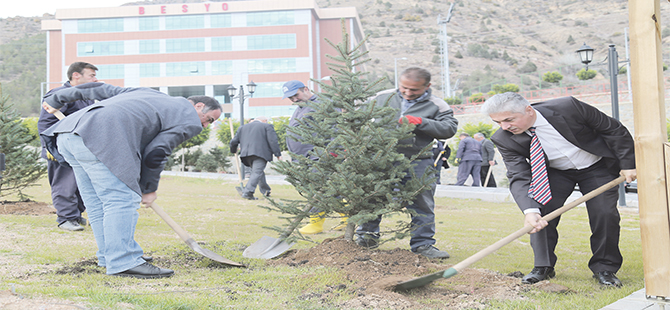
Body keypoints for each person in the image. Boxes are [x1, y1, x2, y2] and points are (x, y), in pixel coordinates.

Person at [41, 82, 222, 279]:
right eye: (209, 120)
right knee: (121, 199)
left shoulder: (146, 91)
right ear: (197, 106)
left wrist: (56, 98)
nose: (204, 126)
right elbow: (156, 152)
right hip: (100, 136)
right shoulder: (188, 118)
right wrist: (148, 188)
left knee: (98, 202)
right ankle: (123, 260)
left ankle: (109, 255)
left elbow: (98, 89)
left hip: (68, 135)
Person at [481, 92, 636, 287]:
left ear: (528, 110)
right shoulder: (504, 139)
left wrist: (628, 164)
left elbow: (613, 130)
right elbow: (519, 175)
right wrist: (530, 211)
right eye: (498, 123)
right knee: (541, 213)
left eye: (508, 120)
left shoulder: (569, 107)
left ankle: (605, 268)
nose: (505, 127)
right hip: (555, 172)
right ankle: (543, 266)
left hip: (597, 166)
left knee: (604, 214)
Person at [355, 67, 458, 258]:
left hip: (417, 161)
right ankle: (366, 237)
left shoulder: (437, 104)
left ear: (427, 86)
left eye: (415, 90)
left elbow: (449, 129)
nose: (408, 93)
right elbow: (358, 120)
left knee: (422, 203)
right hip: (380, 159)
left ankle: (423, 246)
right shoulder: (380, 97)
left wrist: (421, 122)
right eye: (404, 88)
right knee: (372, 198)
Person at [38, 62, 98, 231]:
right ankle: (65, 218)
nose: (95, 79)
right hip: (59, 148)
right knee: (65, 183)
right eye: (91, 75)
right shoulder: (60, 95)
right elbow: (46, 122)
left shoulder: (85, 96)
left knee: (81, 184)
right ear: (76, 75)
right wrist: (50, 147)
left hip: (79, 148)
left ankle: (76, 214)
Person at [282, 80, 348, 234]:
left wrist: (331, 153)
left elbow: (336, 128)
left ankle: (316, 223)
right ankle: (347, 217)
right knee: (329, 190)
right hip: (304, 157)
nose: (293, 100)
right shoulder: (302, 107)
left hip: (320, 156)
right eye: (290, 98)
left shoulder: (324, 103)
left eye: (295, 95)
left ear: (305, 89)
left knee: (316, 189)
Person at [230, 116, 282, 200]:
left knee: (257, 172)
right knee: (257, 172)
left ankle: (265, 190)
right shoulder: (267, 126)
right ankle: (248, 192)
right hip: (260, 154)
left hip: (246, 155)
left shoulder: (243, 127)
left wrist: (233, 150)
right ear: (264, 120)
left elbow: (233, 141)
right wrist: (278, 154)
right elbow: (273, 141)